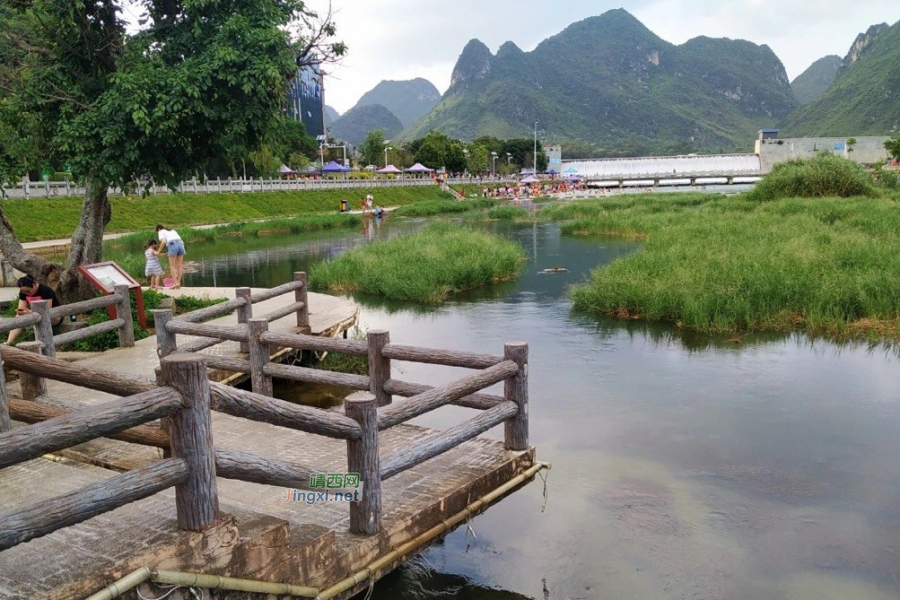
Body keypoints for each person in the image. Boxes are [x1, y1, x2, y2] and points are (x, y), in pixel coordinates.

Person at [6, 276, 62, 345]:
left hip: (54, 317)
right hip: (35, 315)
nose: (26, 293)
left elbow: (47, 311)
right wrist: (21, 311)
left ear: (34, 285)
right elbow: (21, 307)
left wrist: (29, 312)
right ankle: (9, 342)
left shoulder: (45, 290)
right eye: (24, 292)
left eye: (28, 291)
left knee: (43, 317)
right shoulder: (23, 292)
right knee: (18, 317)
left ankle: (43, 343)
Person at [156, 224, 186, 289]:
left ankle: (175, 283)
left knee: (172, 266)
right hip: (181, 244)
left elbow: (163, 242)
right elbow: (181, 240)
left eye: (157, 232)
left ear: (158, 229)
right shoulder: (172, 230)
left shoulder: (161, 231)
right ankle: (178, 283)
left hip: (173, 244)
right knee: (179, 265)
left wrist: (158, 252)